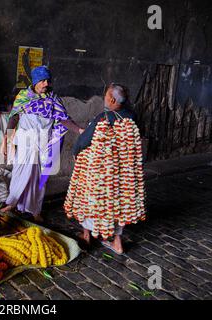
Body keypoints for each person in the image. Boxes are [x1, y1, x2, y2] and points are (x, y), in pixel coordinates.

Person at [0, 66, 84, 223]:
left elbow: (64, 119)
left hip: (44, 144)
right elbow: (13, 118)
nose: (46, 83)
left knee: (40, 179)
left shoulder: (53, 99)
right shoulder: (24, 96)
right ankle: (11, 203)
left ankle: (35, 210)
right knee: (20, 174)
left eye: (48, 80)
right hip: (25, 143)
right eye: (43, 80)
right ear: (35, 81)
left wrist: (79, 130)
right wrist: (6, 140)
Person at [71, 83, 137, 254]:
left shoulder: (104, 118)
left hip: (100, 172)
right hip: (122, 173)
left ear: (113, 99)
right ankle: (117, 242)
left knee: (90, 199)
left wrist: (75, 151)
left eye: (106, 96)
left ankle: (87, 235)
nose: (104, 99)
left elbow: (84, 140)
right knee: (117, 205)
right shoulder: (131, 117)